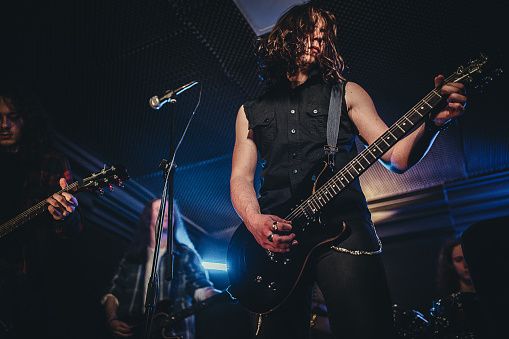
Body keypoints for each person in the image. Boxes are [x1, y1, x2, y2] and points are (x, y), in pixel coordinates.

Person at [229, 3, 466, 339]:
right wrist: (254, 221)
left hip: (344, 226)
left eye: (325, 34)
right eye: (312, 28)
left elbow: (397, 157)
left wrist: (432, 123)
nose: (319, 38)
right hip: (276, 237)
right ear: (286, 34)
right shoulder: (249, 112)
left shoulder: (347, 93)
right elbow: (240, 175)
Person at [0, 83, 82, 338]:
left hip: (19, 283)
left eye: (13, 117)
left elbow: (72, 234)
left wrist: (65, 217)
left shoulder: (51, 162)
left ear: (27, 120)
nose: (4, 125)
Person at [102, 198, 220, 339]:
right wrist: (112, 320)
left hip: (174, 333)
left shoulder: (185, 254)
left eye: (171, 212)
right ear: (148, 217)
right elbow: (113, 293)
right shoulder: (132, 257)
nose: (166, 214)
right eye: (160, 209)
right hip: (133, 331)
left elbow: (200, 288)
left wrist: (217, 295)